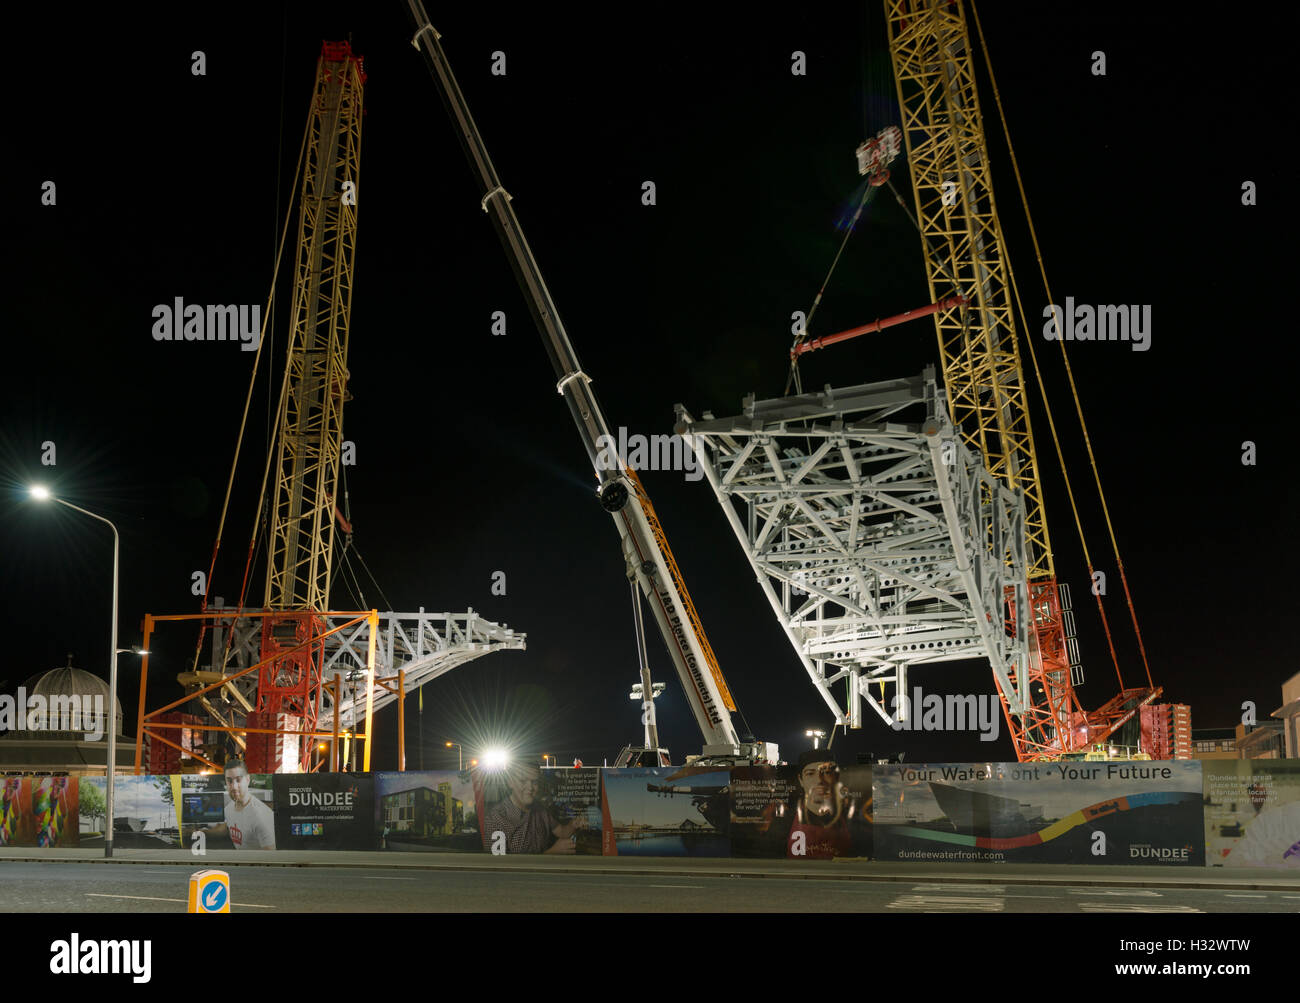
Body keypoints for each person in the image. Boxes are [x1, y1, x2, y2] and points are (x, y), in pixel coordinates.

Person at [482, 762, 586, 854]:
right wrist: (551, 853)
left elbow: (562, 832)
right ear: (510, 782)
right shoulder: (496, 819)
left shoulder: (540, 809)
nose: (530, 787)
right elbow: (500, 867)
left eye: (534, 782)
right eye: (523, 781)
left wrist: (574, 824)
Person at [787, 749, 852, 859]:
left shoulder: (853, 821)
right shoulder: (784, 822)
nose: (819, 780)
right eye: (810, 774)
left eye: (826, 772)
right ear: (801, 780)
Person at [199, 759, 276, 850]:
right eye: (229, 781)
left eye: (238, 780)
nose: (234, 787)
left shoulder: (261, 817)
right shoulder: (229, 808)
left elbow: (271, 858)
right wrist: (201, 832)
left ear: (247, 780)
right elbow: (228, 827)